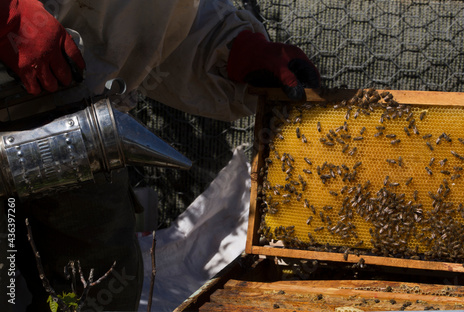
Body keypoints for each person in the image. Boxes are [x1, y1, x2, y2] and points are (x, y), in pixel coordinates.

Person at [0, 0, 320, 311]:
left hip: (78, 131)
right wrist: (9, 15)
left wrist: (232, 47)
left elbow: (158, 15)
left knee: (102, 291)